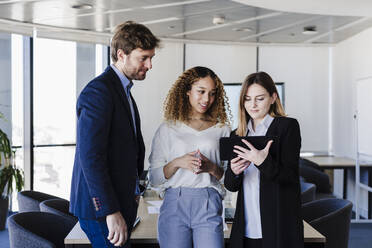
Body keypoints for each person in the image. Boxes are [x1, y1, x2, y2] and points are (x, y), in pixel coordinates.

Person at [69, 21, 160, 248]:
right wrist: (110, 211)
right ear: (122, 54)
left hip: (121, 201)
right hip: (102, 210)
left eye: (151, 58)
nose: (149, 65)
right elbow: (91, 158)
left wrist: (135, 189)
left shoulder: (122, 90)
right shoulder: (99, 92)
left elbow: (127, 148)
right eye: (143, 58)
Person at [148, 66, 231, 248]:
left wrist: (211, 168)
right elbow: (153, 178)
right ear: (187, 91)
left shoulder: (222, 129)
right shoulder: (168, 128)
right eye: (201, 92)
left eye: (212, 93)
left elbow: (230, 180)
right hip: (174, 202)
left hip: (209, 201)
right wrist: (178, 162)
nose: (206, 99)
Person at [224, 71, 303, 248]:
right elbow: (230, 185)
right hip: (246, 223)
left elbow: (289, 177)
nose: (252, 105)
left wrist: (261, 161)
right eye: (247, 99)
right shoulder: (238, 134)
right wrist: (234, 172)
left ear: (273, 97)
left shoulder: (287, 127)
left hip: (278, 222)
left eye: (259, 98)